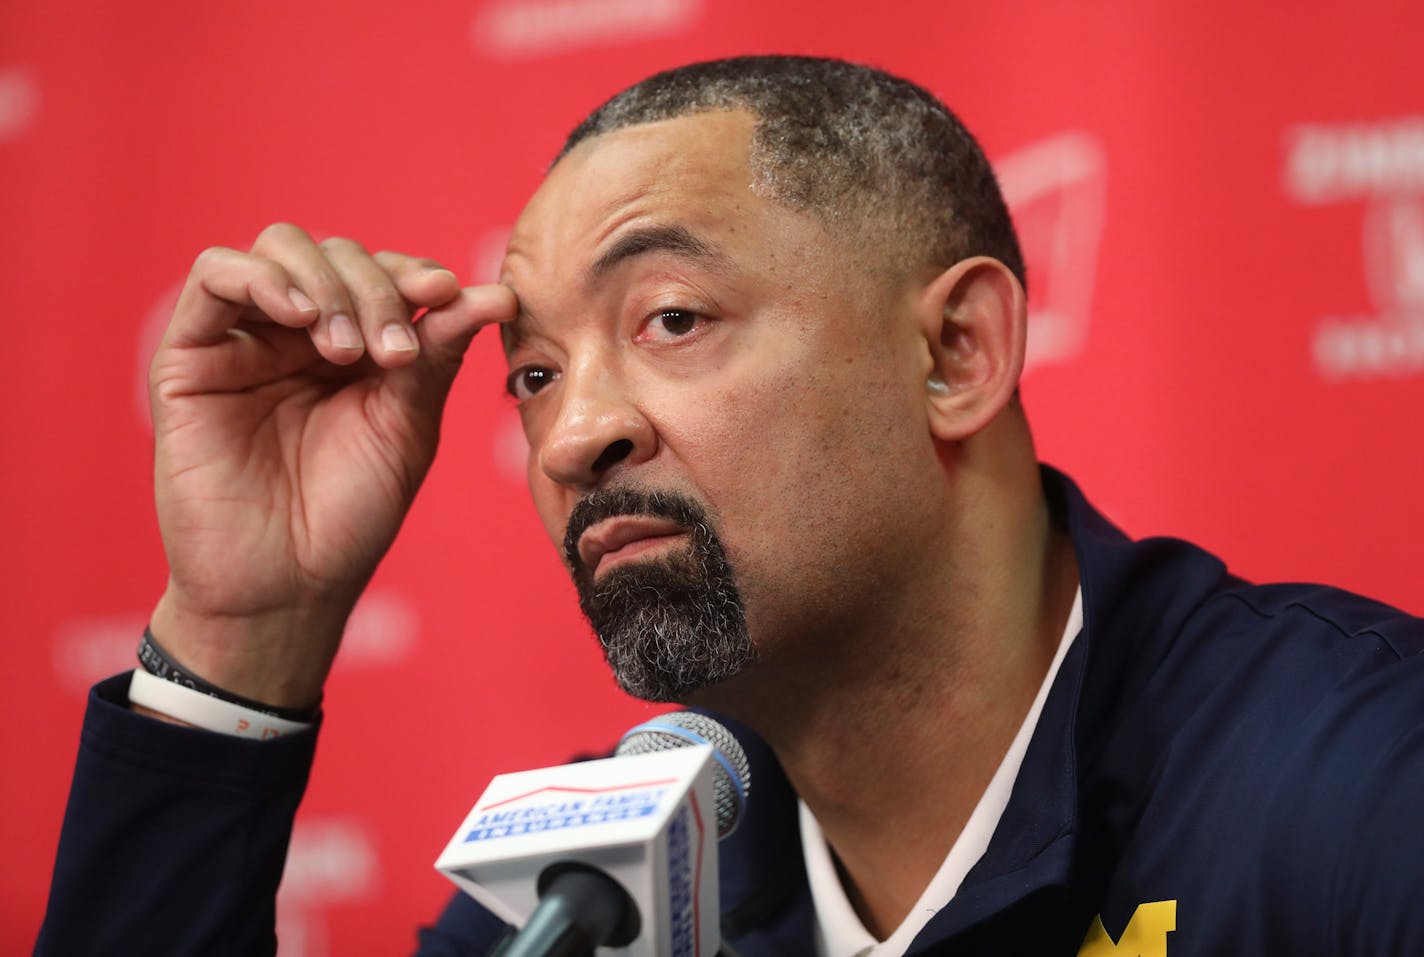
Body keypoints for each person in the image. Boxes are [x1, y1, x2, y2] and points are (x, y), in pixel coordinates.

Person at [37, 56, 1424, 956]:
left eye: (675, 317)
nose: (578, 430)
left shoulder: (1352, 794)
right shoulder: (590, 891)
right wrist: (240, 634)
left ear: (955, 357)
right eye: (530, 370)